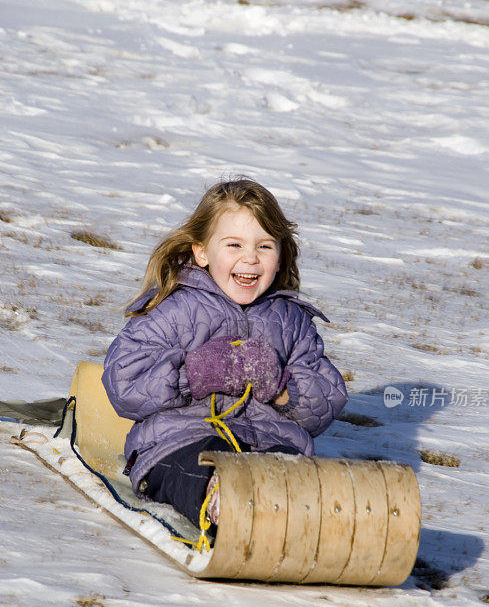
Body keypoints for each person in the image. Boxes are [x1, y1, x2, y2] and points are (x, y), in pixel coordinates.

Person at [102, 178, 348, 542]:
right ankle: (225, 504)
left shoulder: (291, 321)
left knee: (287, 469)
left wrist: (281, 389)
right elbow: (124, 382)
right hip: (181, 439)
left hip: (268, 440)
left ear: (280, 254)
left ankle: (302, 518)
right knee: (204, 459)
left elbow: (326, 401)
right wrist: (195, 373)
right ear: (202, 252)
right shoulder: (177, 309)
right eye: (234, 245)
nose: (250, 258)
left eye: (264, 246)